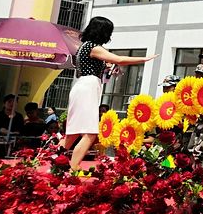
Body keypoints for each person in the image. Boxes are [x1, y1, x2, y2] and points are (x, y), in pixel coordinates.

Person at [63, 16, 159, 172]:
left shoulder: (84, 46)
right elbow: (119, 59)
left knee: (73, 132)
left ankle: (53, 158)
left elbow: (104, 63)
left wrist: (107, 68)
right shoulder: (94, 47)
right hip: (88, 87)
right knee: (90, 133)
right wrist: (144, 58)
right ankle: (73, 167)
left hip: (82, 85)